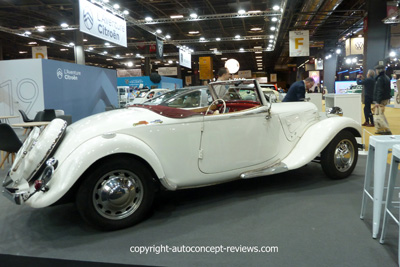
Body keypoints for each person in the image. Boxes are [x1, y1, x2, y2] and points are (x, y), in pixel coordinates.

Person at [373, 64, 392, 135]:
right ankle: (381, 129)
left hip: (381, 99)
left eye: (376, 70)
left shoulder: (380, 79)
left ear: (379, 70)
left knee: (378, 115)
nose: (376, 71)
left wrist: (377, 101)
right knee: (381, 114)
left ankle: (386, 129)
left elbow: (379, 90)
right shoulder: (386, 77)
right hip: (385, 98)